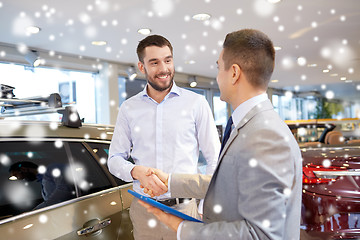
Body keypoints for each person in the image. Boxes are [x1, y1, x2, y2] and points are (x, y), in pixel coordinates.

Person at [139, 29, 302, 240]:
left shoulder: (265, 137)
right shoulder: (249, 126)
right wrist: (171, 181)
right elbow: (228, 183)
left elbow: (261, 235)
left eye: (219, 68)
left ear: (234, 73)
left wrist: (180, 226)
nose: (217, 77)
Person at [107, 34, 220, 239]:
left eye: (168, 60)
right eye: (155, 62)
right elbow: (114, 159)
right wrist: (134, 171)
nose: (164, 69)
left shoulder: (196, 104)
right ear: (142, 67)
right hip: (144, 212)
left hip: (185, 211)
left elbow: (215, 158)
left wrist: (204, 206)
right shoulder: (128, 108)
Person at [9, 161, 74, 210]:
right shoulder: (43, 180)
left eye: (16, 176)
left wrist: (36, 211)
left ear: (23, 169)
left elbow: (64, 191)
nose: (20, 179)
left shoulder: (52, 169)